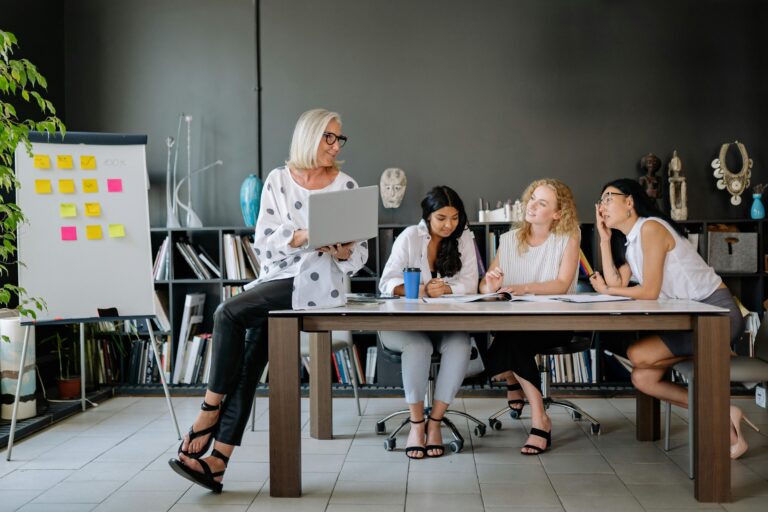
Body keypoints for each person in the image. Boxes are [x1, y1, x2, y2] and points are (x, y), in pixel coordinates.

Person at [168, 109, 368, 492]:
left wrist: (342, 251)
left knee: (227, 312)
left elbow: (359, 258)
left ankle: (208, 411)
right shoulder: (279, 180)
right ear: (309, 136)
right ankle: (218, 461)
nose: (335, 145)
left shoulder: (346, 185)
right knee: (248, 359)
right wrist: (304, 236)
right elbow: (264, 241)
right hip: (278, 278)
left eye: (339, 139)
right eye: (329, 137)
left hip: (321, 284)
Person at [589, 178, 752, 459]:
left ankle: (717, 361)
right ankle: (726, 415)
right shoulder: (633, 243)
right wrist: (604, 240)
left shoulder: (651, 228)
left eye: (607, 198)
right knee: (643, 379)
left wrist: (607, 289)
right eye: (600, 200)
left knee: (637, 353)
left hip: (717, 316)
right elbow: (617, 281)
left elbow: (648, 291)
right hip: (692, 319)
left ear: (629, 202)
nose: (601, 206)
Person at [479, 178, 580, 455]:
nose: (532, 205)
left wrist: (523, 288)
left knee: (510, 342)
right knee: (512, 335)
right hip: (514, 323)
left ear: (558, 213)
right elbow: (486, 285)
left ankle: (538, 415)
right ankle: (530, 404)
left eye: (542, 203)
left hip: (555, 322)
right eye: (532, 198)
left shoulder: (568, 239)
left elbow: (561, 284)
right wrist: (490, 283)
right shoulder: (508, 240)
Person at [378, 186, 478, 459]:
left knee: (460, 343)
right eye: (441, 218)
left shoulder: (464, 237)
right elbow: (386, 283)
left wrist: (445, 289)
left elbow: (471, 283)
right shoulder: (410, 237)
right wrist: (421, 290)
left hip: (446, 325)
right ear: (428, 216)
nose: (449, 225)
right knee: (418, 346)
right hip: (406, 327)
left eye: (455, 217)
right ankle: (416, 425)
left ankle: (435, 422)